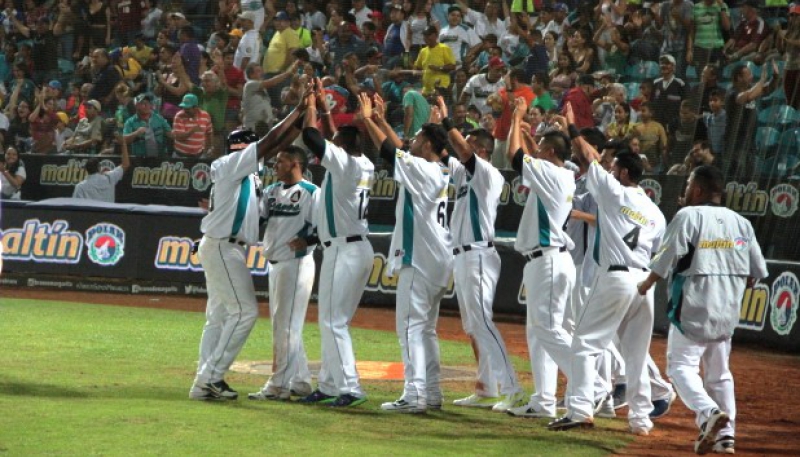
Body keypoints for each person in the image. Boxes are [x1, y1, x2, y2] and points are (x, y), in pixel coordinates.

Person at [548, 104, 666, 436]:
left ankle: (580, 409)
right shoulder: (655, 212)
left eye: (614, 168)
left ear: (625, 173)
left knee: (584, 344)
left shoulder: (615, 192)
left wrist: (573, 128)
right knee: (636, 355)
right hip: (644, 281)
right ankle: (640, 419)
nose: (609, 171)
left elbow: (588, 157)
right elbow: (658, 251)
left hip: (615, 277)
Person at [637, 165, 768, 455]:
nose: (685, 190)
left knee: (681, 367)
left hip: (694, 304)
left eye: (687, 184)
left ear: (697, 189)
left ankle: (709, 412)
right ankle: (726, 437)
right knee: (720, 374)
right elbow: (756, 272)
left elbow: (666, 257)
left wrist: (645, 284)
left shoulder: (688, 215)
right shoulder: (741, 222)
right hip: (728, 308)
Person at [190, 100, 307, 401]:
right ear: (242, 148)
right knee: (245, 312)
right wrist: (296, 110)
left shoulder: (247, 173)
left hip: (224, 246)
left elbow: (276, 142)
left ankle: (203, 382)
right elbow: (270, 141)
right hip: (223, 246)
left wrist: (303, 114)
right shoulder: (230, 164)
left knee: (218, 317)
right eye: (253, 147)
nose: (263, 155)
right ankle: (210, 377)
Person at [359, 92, 453, 414]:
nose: (412, 140)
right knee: (426, 330)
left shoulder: (422, 170)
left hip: (420, 259)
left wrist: (369, 120)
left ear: (427, 146)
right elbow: (401, 149)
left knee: (410, 328)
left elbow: (391, 152)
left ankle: (414, 394)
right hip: (438, 259)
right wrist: (382, 120)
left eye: (418, 138)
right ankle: (432, 392)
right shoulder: (440, 169)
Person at [436, 97, 523, 412]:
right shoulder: (463, 174)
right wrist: (435, 124)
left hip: (478, 254)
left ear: (482, 151)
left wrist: (448, 121)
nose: (464, 148)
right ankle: (487, 387)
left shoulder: (487, 172)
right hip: (463, 256)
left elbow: (460, 150)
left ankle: (513, 389)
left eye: (471, 143)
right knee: (473, 326)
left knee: (483, 323)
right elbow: (443, 152)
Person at [297, 79, 375, 408]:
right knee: (333, 319)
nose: (332, 142)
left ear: (342, 147)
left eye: (337, 141)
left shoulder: (344, 163)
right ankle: (329, 384)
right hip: (356, 248)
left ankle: (351, 387)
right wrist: (326, 110)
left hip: (343, 250)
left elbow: (311, 137)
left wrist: (310, 105)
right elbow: (330, 137)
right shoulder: (363, 162)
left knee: (333, 320)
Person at [502, 97, 576, 419]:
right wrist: (530, 135)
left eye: (543, 146)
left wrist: (516, 118)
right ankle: (544, 400)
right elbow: (533, 155)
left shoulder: (550, 172)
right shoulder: (563, 173)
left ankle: (591, 383)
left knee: (547, 330)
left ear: (551, 152)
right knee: (539, 332)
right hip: (548, 259)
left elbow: (515, 156)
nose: (538, 150)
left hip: (548, 259)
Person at [248, 145, 317, 401]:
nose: (275, 165)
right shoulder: (272, 191)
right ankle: (300, 380)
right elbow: (257, 219)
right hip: (275, 263)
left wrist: (309, 241)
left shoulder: (312, 192)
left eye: (281, 161)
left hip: (296, 263)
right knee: (286, 324)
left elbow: (323, 226)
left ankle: (278, 386)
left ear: (296, 164)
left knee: (285, 325)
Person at [72, 133, 131, 202]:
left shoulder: (80, 187)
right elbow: (126, 164)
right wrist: (123, 144)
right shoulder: (109, 178)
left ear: (86, 170)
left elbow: (75, 205)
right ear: (99, 168)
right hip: (109, 209)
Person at [172, 93, 214, 158]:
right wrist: (192, 130)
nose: (185, 110)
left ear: (195, 107)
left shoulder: (205, 116)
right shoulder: (179, 116)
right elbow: (179, 137)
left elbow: (209, 132)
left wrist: (210, 147)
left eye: (187, 108)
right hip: (180, 156)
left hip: (199, 156)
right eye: (183, 107)